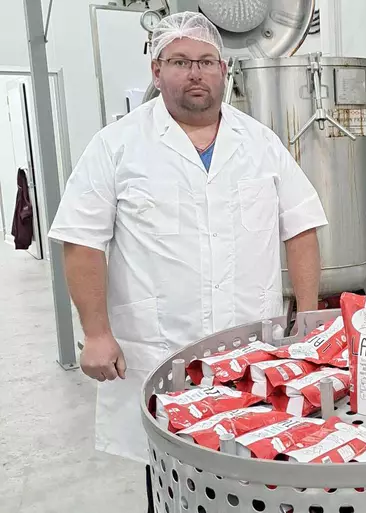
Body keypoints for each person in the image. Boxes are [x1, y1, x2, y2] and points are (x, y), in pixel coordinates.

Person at [49, 11, 327, 469]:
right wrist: (96, 333)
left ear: (224, 70)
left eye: (206, 60)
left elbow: (300, 226)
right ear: (157, 72)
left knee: (252, 465)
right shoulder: (116, 146)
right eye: (179, 61)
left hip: (250, 350)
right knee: (170, 473)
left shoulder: (260, 143)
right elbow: (81, 240)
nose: (195, 72)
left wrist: (310, 316)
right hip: (161, 352)